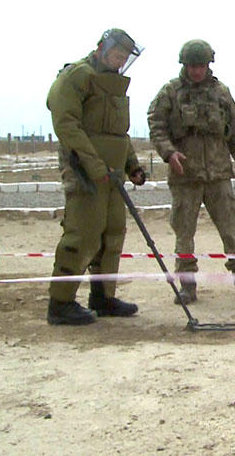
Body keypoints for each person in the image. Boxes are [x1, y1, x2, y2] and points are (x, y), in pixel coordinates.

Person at [46, 28, 147, 325]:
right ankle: (61, 304)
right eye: (116, 54)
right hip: (86, 174)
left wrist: (132, 166)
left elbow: (118, 134)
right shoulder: (76, 76)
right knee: (83, 235)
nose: (119, 61)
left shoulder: (113, 84)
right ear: (102, 47)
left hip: (112, 177)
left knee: (112, 235)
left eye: (124, 57)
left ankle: (103, 297)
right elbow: (66, 125)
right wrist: (94, 166)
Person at [147, 39, 235, 305]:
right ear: (184, 66)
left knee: (231, 231)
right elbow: (156, 125)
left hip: (219, 174)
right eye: (191, 66)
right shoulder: (170, 92)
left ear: (209, 65)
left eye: (201, 65)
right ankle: (187, 286)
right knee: (184, 232)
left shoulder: (221, 92)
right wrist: (168, 152)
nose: (196, 71)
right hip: (185, 175)